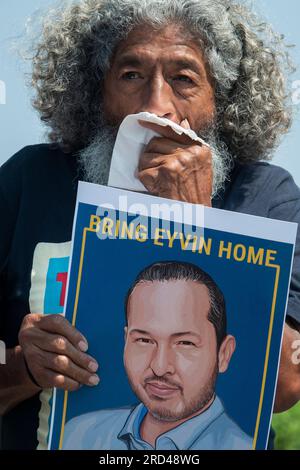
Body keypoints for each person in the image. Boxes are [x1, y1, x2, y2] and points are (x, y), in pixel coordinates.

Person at [0, 0, 299, 450]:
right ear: (95, 92)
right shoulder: (31, 181)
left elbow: (283, 384)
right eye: (132, 75)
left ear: (221, 99)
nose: (157, 106)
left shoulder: (264, 194)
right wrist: (25, 367)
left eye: (183, 78)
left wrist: (196, 223)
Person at [63, 261, 252, 450]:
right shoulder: (79, 436)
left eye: (185, 343)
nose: (160, 367)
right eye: (144, 340)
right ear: (126, 340)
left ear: (223, 354)